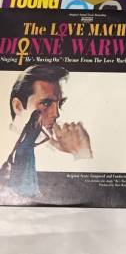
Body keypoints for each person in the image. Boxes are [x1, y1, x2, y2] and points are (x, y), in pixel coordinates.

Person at [1, 65, 92, 199]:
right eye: (46, 103)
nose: (56, 114)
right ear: (18, 106)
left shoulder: (52, 150)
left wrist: (81, 154)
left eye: (59, 104)